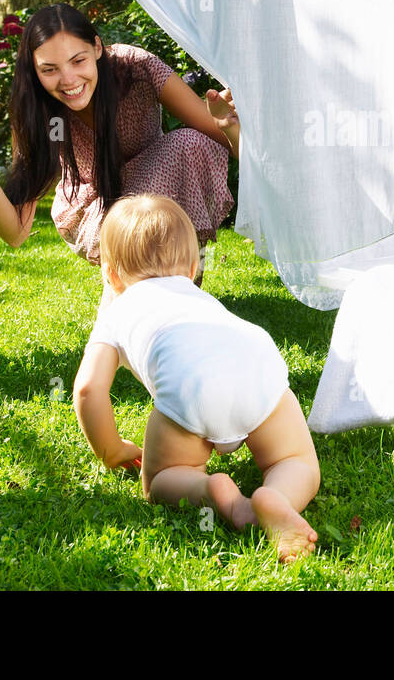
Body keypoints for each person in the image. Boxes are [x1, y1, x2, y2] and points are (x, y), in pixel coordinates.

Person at [73, 194, 320, 563]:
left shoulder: (115, 310)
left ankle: (219, 495)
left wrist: (113, 451)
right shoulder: (194, 295)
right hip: (258, 364)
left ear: (111, 276)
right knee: (296, 460)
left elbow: (89, 389)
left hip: (192, 390)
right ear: (192, 269)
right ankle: (278, 498)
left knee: (163, 480)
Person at [0, 3, 238, 306]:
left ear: (97, 48)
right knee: (148, 212)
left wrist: (228, 124)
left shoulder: (136, 68)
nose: (68, 79)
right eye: (49, 70)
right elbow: (15, 233)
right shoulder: (43, 112)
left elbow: (225, 139)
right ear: (34, 70)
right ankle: (122, 310)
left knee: (188, 144)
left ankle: (173, 294)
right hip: (96, 208)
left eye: (77, 60)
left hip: (162, 192)